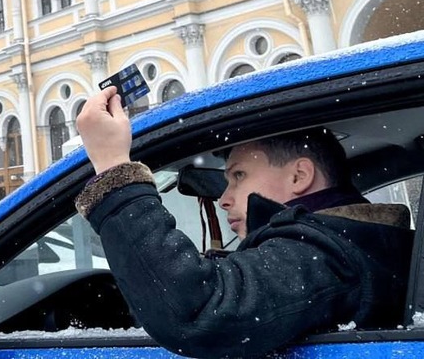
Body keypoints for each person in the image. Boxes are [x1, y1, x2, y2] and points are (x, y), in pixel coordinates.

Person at [74, 85, 413, 359]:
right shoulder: (358, 246)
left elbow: (200, 313)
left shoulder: (327, 253)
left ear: (299, 176)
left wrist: (113, 166)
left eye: (238, 175)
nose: (224, 198)